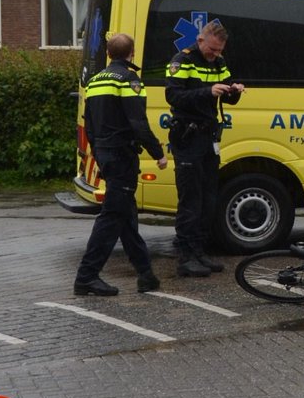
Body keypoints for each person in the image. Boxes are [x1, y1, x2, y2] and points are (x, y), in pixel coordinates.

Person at [73, 33, 168, 296]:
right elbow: (138, 123)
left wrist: (99, 155)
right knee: (112, 217)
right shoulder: (129, 79)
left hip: (105, 152)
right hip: (121, 156)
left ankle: (146, 274)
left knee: (126, 216)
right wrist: (157, 152)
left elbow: (89, 125)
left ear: (108, 53)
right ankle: (86, 276)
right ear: (132, 53)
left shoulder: (94, 81)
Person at [165, 19, 244, 277]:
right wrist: (207, 91)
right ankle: (186, 257)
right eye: (212, 49)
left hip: (209, 138)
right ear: (200, 41)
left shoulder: (218, 62)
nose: (216, 55)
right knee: (190, 199)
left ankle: (200, 252)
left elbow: (227, 97)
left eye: (220, 50)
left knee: (209, 198)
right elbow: (173, 96)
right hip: (188, 137)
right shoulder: (183, 60)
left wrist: (235, 91)